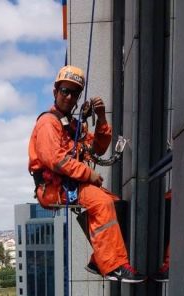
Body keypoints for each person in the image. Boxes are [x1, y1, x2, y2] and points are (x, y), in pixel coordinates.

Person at [28, 65, 146, 283]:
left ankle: (98, 258)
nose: (69, 96)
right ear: (56, 92)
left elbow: (98, 148)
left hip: (69, 184)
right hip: (52, 188)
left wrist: (101, 118)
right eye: (65, 91)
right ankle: (114, 265)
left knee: (115, 204)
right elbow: (55, 159)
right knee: (101, 202)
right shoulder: (48, 123)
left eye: (74, 93)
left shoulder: (72, 126)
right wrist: (88, 174)